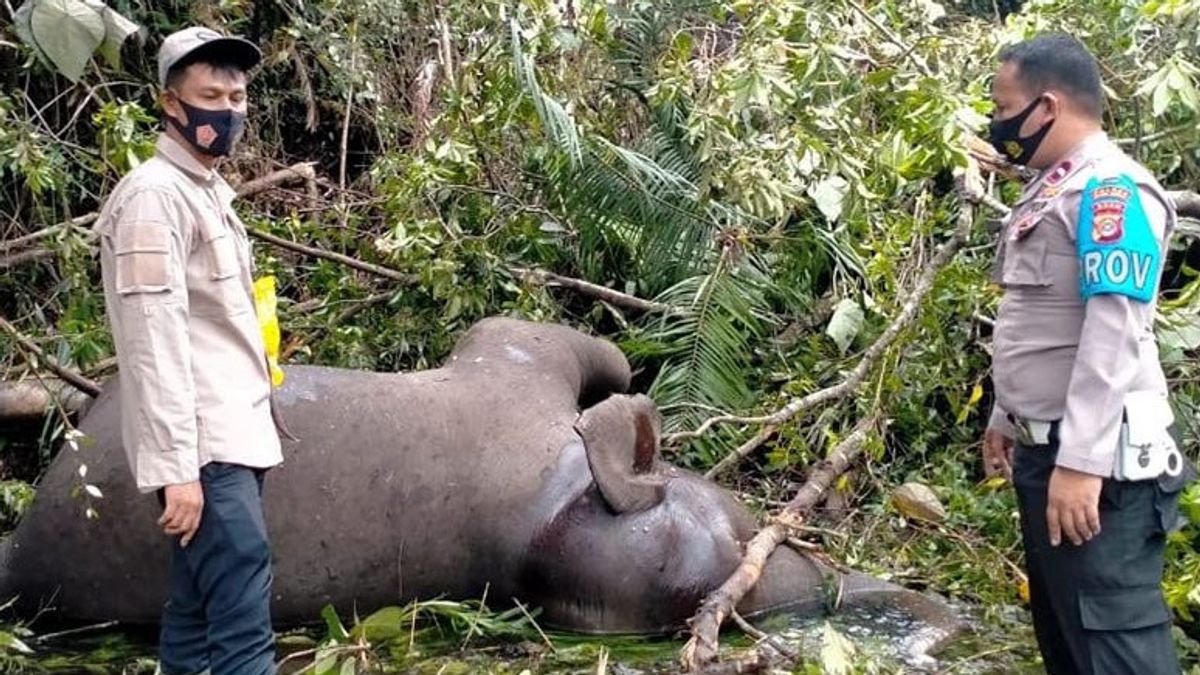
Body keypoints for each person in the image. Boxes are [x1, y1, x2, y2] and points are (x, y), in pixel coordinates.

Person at [982, 32, 1190, 674]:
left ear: (1045, 106)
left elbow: (1114, 330)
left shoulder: (1111, 192)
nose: (996, 121)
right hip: (1050, 451)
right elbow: (1039, 323)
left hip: (1102, 471)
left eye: (1002, 104)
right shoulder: (1055, 185)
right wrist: (1005, 415)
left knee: (1116, 647)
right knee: (1070, 643)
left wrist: (1081, 465)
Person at [95, 27, 281, 675]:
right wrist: (179, 467)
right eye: (211, 94)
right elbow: (155, 341)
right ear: (170, 103)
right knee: (241, 623)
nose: (228, 110)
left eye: (237, 97)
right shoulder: (154, 197)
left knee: (198, 610)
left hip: (234, 435)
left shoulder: (205, 192)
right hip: (205, 448)